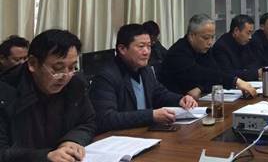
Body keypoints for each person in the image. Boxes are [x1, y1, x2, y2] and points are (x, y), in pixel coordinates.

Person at [0, 29, 95, 162]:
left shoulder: (75, 84)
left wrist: (72, 140)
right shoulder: (5, 93)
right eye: (58, 68)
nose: (66, 76)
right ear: (33, 63)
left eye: (72, 67)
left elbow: (88, 121)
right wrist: (45, 157)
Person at [89, 24, 197, 133]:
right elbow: (106, 118)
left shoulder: (146, 70)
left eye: (149, 46)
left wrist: (180, 100)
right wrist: (151, 115)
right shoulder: (106, 76)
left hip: (144, 132)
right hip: (119, 137)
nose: (146, 52)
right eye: (141, 46)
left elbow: (159, 94)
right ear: (122, 49)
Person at [159, 14, 257, 99]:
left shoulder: (204, 49)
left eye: (212, 37)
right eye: (206, 38)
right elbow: (200, 73)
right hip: (173, 105)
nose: (210, 42)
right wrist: (235, 81)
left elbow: (215, 73)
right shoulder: (178, 53)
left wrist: (200, 88)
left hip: (196, 101)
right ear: (192, 36)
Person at [213, 14, 267, 81]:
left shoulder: (248, 42)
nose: (250, 37)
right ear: (236, 31)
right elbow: (227, 73)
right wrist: (255, 73)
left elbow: (256, 63)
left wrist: (249, 72)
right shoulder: (221, 46)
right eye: (248, 33)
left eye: (251, 33)